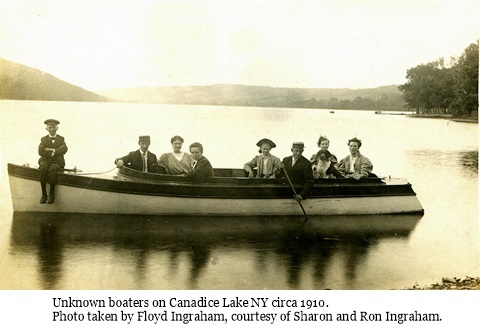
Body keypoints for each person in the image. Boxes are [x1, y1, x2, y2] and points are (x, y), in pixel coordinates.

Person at [38, 119, 68, 204]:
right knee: (43, 169)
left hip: (57, 161)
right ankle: (44, 194)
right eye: (50, 127)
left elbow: (64, 149)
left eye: (54, 127)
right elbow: (40, 151)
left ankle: (51, 193)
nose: (52, 129)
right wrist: (56, 151)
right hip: (45, 160)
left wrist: (50, 150)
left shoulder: (61, 139)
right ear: (46, 128)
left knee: (52, 169)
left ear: (57, 128)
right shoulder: (43, 139)